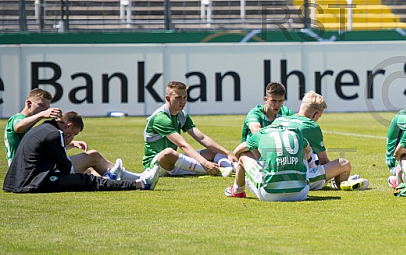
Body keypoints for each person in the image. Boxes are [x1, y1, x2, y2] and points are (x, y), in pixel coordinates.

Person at [4, 112, 159, 193]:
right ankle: (141, 183)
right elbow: (65, 168)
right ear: (68, 125)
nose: (72, 137)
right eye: (74, 133)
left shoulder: (44, 128)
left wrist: (66, 145)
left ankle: (127, 177)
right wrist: (65, 143)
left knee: (91, 163)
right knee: (88, 179)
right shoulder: (54, 134)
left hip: (22, 181)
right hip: (35, 183)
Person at [273, 91, 365, 192]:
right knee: (343, 164)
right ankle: (339, 184)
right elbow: (324, 160)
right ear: (315, 114)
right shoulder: (310, 126)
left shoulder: (279, 120)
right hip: (297, 178)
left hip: (273, 175)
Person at [143, 80, 237, 177]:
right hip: (156, 165)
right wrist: (205, 162)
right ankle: (218, 171)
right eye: (178, 98)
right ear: (168, 98)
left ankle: (237, 169)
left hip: (174, 161)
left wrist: (227, 152)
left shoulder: (182, 115)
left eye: (185, 97)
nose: (183, 102)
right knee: (168, 152)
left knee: (213, 151)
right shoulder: (161, 118)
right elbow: (182, 145)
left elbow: (202, 138)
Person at [228, 120, 311, 202]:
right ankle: (298, 179)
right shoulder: (296, 132)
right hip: (301, 193)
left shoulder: (262, 133)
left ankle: (238, 190)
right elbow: (308, 150)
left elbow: (236, 151)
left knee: (243, 156)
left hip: (268, 194)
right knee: (303, 151)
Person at [5, 88, 61, 164]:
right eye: (41, 105)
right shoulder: (17, 118)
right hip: (20, 170)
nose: (45, 110)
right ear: (28, 103)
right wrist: (41, 115)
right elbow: (18, 128)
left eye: (47, 108)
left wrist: (71, 143)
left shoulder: (28, 122)